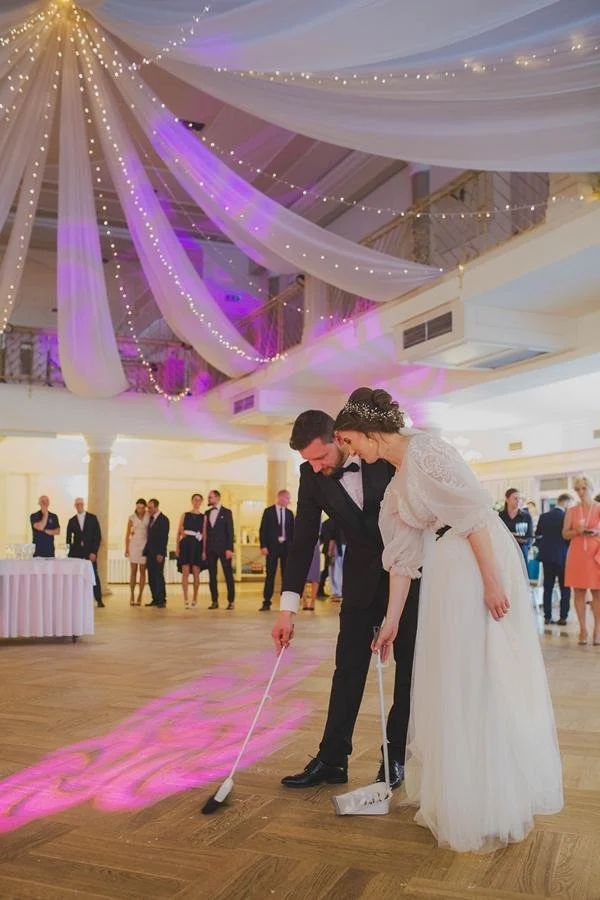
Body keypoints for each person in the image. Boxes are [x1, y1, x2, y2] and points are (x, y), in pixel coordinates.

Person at [334, 387, 563, 852]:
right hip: (446, 570)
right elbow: (402, 561)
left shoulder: (428, 451)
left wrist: (492, 582)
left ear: (370, 431)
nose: (349, 452)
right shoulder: (396, 487)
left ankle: (493, 794)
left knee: (484, 671)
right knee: (453, 678)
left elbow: (474, 516)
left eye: (349, 441)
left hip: (477, 562)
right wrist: (392, 620)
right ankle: (462, 790)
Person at [271, 409, 419, 791]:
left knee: (408, 671)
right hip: (359, 584)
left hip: (408, 578)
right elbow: (303, 541)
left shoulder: (380, 453)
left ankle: (395, 758)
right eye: (308, 460)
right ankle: (333, 758)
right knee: (347, 670)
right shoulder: (310, 475)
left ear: (338, 439)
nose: (316, 467)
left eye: (320, 457)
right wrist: (287, 610)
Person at [563, 476, 600, 645]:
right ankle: (583, 629)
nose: (581, 492)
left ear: (591, 488)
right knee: (578, 592)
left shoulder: (598, 508)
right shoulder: (572, 510)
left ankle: (597, 630)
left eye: (584, 488)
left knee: (597, 593)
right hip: (577, 553)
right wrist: (577, 531)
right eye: (577, 489)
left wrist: (597, 532)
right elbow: (565, 533)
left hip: (595, 554)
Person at [535, 494, 572, 625]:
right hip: (563, 556)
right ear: (566, 502)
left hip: (547, 556)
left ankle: (547, 617)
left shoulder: (544, 516)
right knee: (565, 588)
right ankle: (563, 617)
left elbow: (538, 535)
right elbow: (569, 538)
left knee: (548, 587)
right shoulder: (566, 517)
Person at [258, 489, 295, 612]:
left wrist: (292, 547)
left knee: (287, 575)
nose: (288, 501)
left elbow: (293, 531)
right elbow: (263, 530)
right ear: (281, 498)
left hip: (286, 548)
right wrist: (263, 546)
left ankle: (286, 603)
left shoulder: (289, 513)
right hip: (272, 547)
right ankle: (266, 602)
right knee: (270, 574)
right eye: (287, 498)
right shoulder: (268, 512)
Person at [66, 498, 104, 608]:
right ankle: (77, 599)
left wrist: (94, 552)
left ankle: (99, 599)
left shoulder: (92, 518)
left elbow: (98, 537)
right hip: (76, 554)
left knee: (94, 575)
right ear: (75, 506)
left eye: (80, 504)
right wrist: (70, 553)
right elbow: (68, 539)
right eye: (77, 504)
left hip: (90, 553)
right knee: (77, 576)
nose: (79, 506)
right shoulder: (71, 520)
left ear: (83, 505)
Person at [204, 489, 235, 610]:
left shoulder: (227, 512)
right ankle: (214, 601)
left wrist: (229, 548)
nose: (209, 499)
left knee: (228, 575)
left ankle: (231, 601)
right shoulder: (207, 513)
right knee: (212, 576)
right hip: (210, 549)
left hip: (224, 549)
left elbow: (230, 531)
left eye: (210, 497)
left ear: (217, 498)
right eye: (209, 497)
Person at [176, 493, 205, 609]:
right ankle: (186, 599)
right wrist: (177, 547)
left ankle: (195, 599)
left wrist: (204, 551)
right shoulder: (185, 515)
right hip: (185, 545)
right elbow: (179, 532)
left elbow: (205, 534)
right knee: (185, 572)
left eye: (199, 500)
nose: (196, 502)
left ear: (201, 502)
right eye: (195, 500)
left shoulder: (204, 517)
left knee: (196, 572)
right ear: (192, 501)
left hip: (197, 546)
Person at [143, 499, 170, 608]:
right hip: (150, 552)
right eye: (148, 507)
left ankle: (162, 600)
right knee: (151, 577)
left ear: (156, 507)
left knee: (158, 576)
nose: (148, 510)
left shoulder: (164, 520)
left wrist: (161, 553)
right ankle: (155, 598)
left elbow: (164, 538)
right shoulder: (151, 519)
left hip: (158, 553)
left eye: (150, 507)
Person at [498, 488, 533, 567]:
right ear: (507, 499)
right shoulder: (500, 516)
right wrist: (515, 536)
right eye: (515, 498)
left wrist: (510, 535)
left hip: (521, 551)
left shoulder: (526, 516)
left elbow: (529, 536)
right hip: (504, 551)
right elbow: (497, 534)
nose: (518, 501)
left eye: (519, 499)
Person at [124, 498, 149, 606]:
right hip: (133, 545)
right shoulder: (132, 517)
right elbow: (127, 534)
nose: (140, 510)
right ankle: (132, 595)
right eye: (138, 507)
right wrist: (126, 548)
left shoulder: (148, 515)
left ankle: (140, 595)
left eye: (142, 508)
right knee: (133, 571)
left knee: (143, 571)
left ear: (145, 507)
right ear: (136, 507)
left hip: (145, 545)